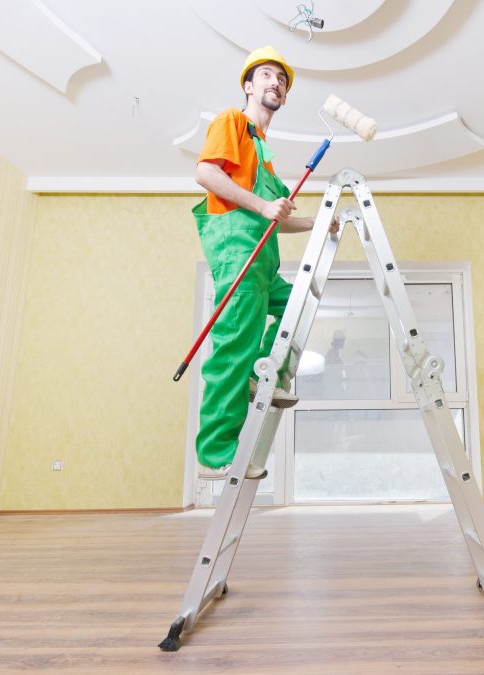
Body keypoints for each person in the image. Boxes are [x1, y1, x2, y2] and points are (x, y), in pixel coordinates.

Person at [192, 45, 336, 481]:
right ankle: (216, 451)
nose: (277, 82)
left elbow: (276, 217)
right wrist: (261, 204)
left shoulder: (264, 154)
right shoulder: (231, 122)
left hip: (264, 266)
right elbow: (206, 173)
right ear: (249, 85)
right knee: (233, 347)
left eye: (283, 79)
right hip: (238, 254)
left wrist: (315, 222)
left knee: (302, 306)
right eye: (268, 75)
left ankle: (263, 372)